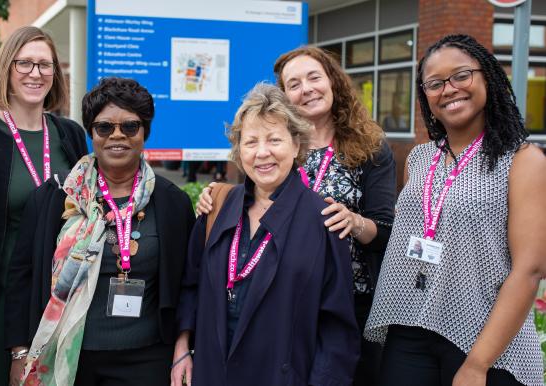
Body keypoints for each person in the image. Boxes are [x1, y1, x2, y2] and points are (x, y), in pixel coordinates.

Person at [197, 45, 396, 385]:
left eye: (314, 77)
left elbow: (386, 231)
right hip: (278, 291)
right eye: (294, 83)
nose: (306, 89)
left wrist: (354, 222)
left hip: (349, 298)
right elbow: (250, 201)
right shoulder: (276, 145)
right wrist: (214, 197)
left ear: (333, 81)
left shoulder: (370, 147)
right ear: (285, 96)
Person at [365, 34, 546, 386]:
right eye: (435, 83)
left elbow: (530, 269)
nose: (449, 89)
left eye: (461, 76)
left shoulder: (523, 160)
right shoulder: (419, 158)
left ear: (487, 78)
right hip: (410, 326)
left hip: (487, 338)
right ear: (425, 95)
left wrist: (478, 365)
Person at [5, 77, 196, 385]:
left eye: (130, 127)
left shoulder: (172, 202)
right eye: (104, 127)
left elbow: (189, 282)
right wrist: (19, 353)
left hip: (147, 361)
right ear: (91, 133)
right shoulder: (55, 197)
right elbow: (21, 279)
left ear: (145, 132)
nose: (116, 136)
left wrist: (184, 345)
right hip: (67, 358)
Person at [173, 83, 359, 386]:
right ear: (238, 149)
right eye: (250, 142)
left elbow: (337, 330)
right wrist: (182, 347)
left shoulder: (323, 221)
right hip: (212, 372)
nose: (262, 153)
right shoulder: (219, 207)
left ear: (296, 145)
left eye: (274, 140)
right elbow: (191, 285)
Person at [0, 26, 88, 385]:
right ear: (6, 68)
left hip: (59, 294)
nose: (35, 74)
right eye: (25, 64)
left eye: (44, 65)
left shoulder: (69, 134)